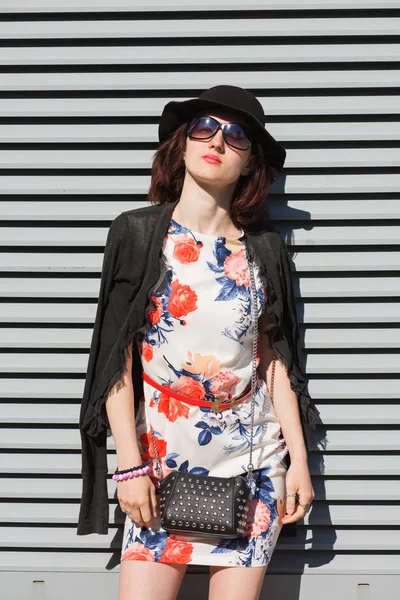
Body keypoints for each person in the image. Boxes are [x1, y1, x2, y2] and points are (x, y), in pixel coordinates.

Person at [77, 85, 317, 600]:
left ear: (252, 164)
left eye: (237, 136)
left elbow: (274, 362)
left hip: (253, 461)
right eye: (203, 127)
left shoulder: (265, 251)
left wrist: (298, 460)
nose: (218, 141)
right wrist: (129, 465)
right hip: (158, 463)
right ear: (180, 146)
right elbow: (114, 359)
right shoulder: (138, 235)